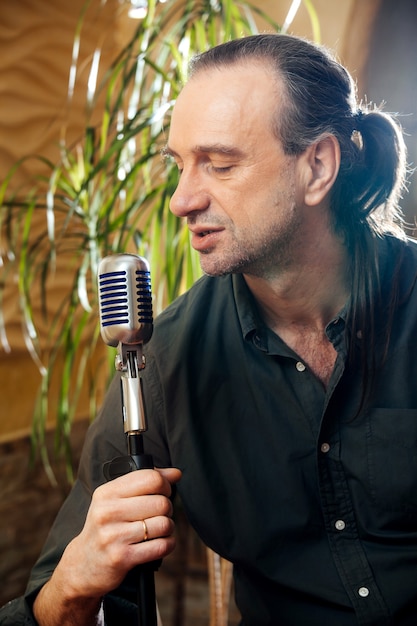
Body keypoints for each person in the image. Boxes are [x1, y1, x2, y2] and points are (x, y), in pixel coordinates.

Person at [1, 32, 417, 626]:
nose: (181, 199)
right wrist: (72, 589)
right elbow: (59, 595)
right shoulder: (164, 360)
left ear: (318, 165)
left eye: (219, 164)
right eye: (178, 165)